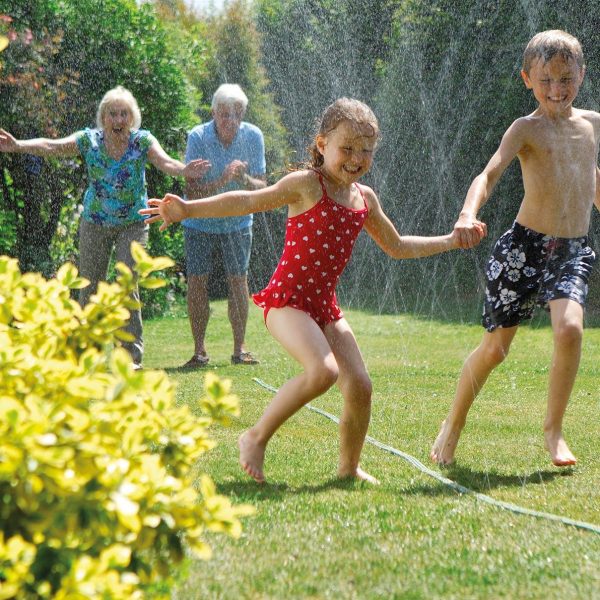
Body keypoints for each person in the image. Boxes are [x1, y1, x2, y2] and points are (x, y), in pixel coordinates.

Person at [141, 98, 480, 484]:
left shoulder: (364, 200)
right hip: (287, 302)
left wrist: (452, 241)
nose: (355, 159)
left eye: (365, 151)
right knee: (323, 371)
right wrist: (189, 209)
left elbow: (398, 245)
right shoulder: (307, 185)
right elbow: (247, 201)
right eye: (346, 149)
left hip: (324, 307)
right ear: (322, 145)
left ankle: (348, 470)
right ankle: (254, 437)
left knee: (361, 386)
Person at [430, 30, 600, 468]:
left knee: (570, 330)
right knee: (495, 350)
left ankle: (554, 430)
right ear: (528, 78)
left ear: (582, 74)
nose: (557, 90)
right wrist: (468, 213)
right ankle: (452, 425)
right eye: (546, 80)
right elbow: (488, 175)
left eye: (566, 78)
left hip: (571, 250)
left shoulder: (593, 125)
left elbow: (588, 178)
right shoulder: (526, 128)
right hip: (524, 248)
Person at [0, 85, 209, 369]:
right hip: (95, 223)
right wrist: (19, 145)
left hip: (134, 223)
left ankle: (130, 358)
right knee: (90, 287)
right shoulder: (89, 141)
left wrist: (183, 170)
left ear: (131, 118)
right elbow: (53, 145)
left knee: (126, 285)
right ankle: (89, 354)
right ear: (104, 117)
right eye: (113, 114)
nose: (118, 120)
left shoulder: (142, 142)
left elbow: (165, 161)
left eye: (124, 114)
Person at [181, 83, 267, 369]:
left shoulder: (253, 136)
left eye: (235, 114)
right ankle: (199, 351)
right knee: (197, 281)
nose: (229, 120)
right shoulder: (197, 136)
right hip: (199, 222)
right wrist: (222, 180)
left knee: (238, 280)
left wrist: (242, 179)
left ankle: (239, 349)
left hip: (238, 221)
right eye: (223, 114)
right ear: (214, 112)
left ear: (242, 113)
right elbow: (191, 193)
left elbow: (262, 187)